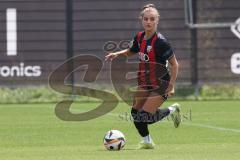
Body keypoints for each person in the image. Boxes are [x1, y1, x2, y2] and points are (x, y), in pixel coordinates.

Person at [105, 3, 181, 149]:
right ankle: (147, 142)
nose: (148, 22)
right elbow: (131, 51)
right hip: (145, 82)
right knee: (135, 113)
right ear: (142, 20)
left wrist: (171, 87)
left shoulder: (161, 42)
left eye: (152, 19)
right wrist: (116, 54)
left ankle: (172, 110)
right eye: (146, 19)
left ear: (157, 21)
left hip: (161, 84)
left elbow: (175, 65)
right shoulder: (139, 37)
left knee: (144, 117)